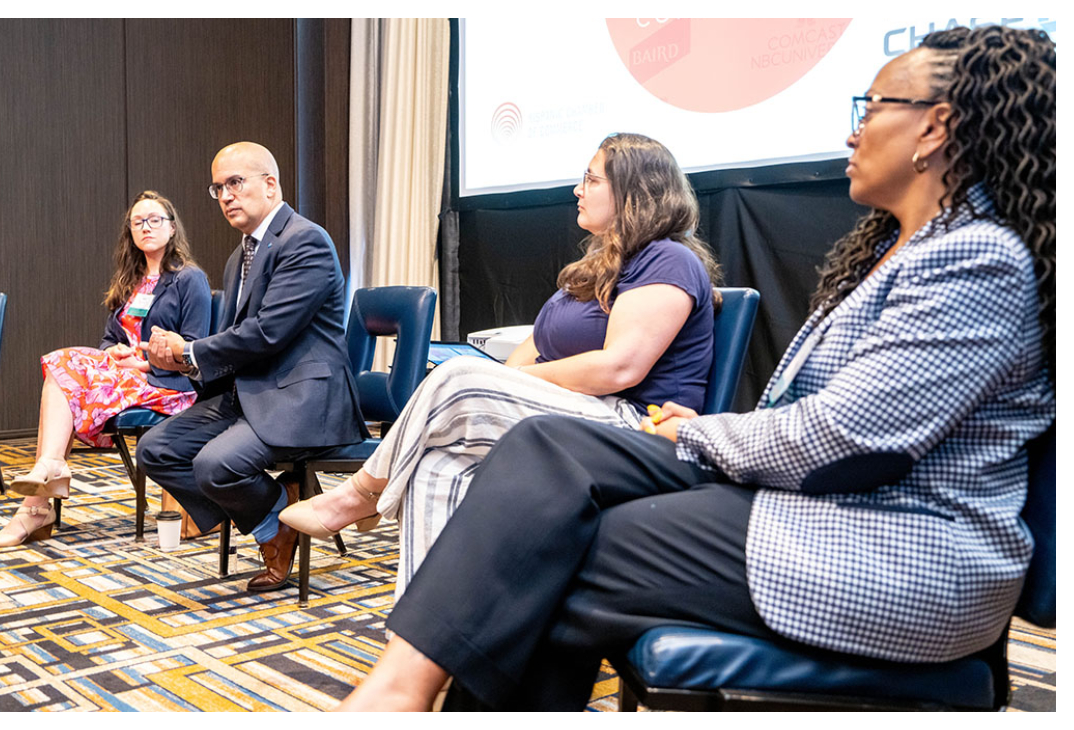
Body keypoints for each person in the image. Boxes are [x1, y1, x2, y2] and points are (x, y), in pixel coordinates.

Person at [337, 24, 1056, 711]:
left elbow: (851, 439)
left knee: (547, 552)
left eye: (869, 108)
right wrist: (717, 425)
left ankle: (399, 692)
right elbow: (836, 422)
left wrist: (699, 436)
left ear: (934, 128)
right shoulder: (895, 252)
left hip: (899, 554)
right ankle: (401, 689)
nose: (851, 129)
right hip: (827, 507)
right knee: (544, 447)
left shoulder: (974, 257)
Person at [279, 133, 721, 598]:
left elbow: (619, 369)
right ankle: (431, 637)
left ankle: (359, 495)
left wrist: (509, 382)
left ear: (634, 194)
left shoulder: (667, 260)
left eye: (590, 179)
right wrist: (506, 379)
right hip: (573, 412)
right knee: (436, 466)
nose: (578, 189)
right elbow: (534, 343)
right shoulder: (599, 266)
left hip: (635, 427)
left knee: (457, 376)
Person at [137, 142, 368, 592]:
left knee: (214, 466)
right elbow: (236, 343)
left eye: (235, 183)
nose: (225, 195)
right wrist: (184, 361)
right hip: (251, 391)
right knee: (155, 450)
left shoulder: (306, 241)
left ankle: (272, 519)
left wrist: (191, 352)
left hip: (301, 397)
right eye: (218, 187)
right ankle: (277, 514)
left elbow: (268, 333)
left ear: (270, 185)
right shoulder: (237, 257)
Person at [0, 191, 211, 547]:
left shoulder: (188, 279)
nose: (146, 227)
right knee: (62, 368)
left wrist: (145, 361)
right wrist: (117, 352)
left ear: (172, 227)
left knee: (62, 367)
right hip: (124, 377)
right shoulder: (130, 281)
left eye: (155, 220)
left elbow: (194, 346)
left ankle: (38, 496)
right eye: (138, 222)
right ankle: (45, 478)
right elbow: (108, 339)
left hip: (167, 385)